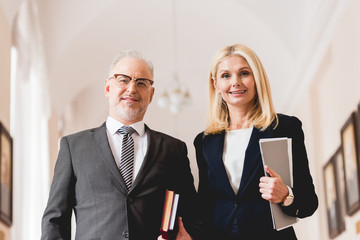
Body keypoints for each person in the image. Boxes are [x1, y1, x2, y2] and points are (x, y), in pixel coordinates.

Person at [41, 49, 202, 240]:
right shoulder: (73, 147)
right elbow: (55, 221)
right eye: (123, 80)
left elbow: (193, 216)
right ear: (108, 88)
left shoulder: (174, 149)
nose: (132, 89)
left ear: (151, 95)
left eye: (141, 83)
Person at [193, 44, 318, 239]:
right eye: (226, 76)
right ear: (215, 84)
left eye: (244, 73)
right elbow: (205, 205)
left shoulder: (285, 127)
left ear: (257, 79)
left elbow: (309, 202)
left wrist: (286, 195)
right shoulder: (204, 141)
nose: (235, 82)